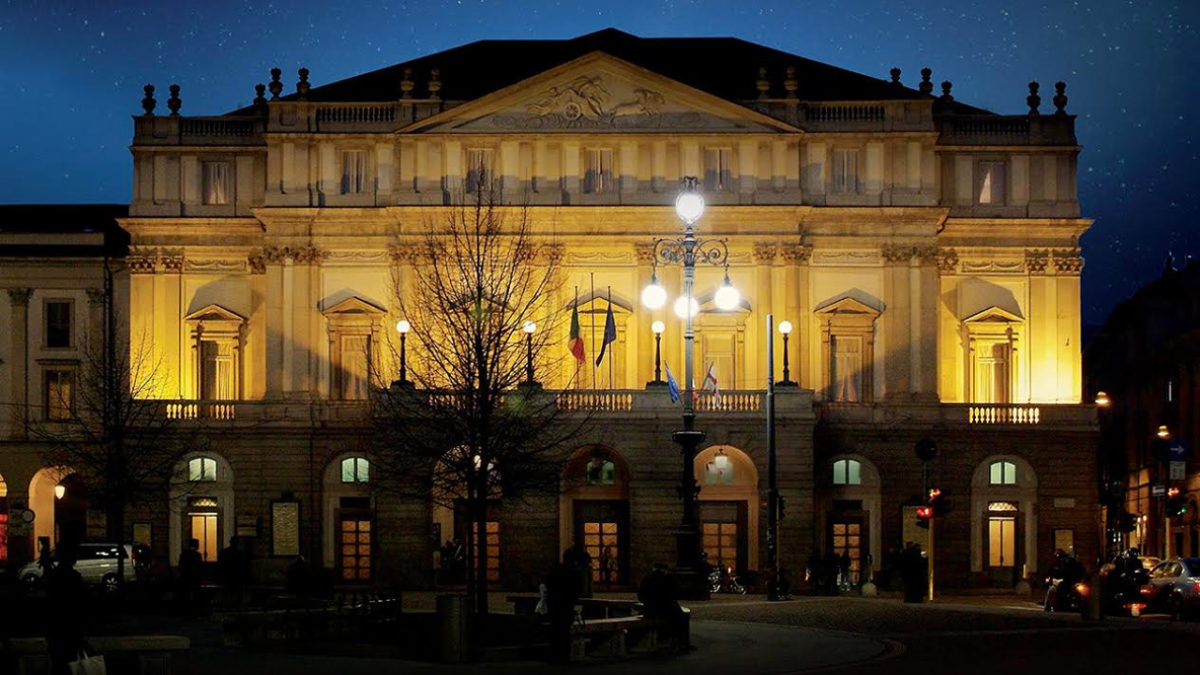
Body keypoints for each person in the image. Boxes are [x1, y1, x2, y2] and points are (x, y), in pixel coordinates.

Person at [45, 545, 87, 675]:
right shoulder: (75, 578)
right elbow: (81, 604)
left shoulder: (53, 577)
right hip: (71, 629)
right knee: (70, 663)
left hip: (55, 628)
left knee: (57, 664)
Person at [638, 563, 691, 652]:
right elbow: (677, 593)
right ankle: (683, 643)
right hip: (667, 609)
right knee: (682, 617)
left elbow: (641, 596)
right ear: (664, 570)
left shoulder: (647, 579)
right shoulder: (668, 579)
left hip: (651, 610)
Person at [544, 552, 581, 663]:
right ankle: (564, 656)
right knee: (564, 631)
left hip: (555, 605)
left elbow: (548, 585)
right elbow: (577, 588)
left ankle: (555, 654)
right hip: (565, 605)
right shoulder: (573, 572)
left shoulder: (555, 570)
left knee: (555, 629)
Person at [178, 538, 203, 611]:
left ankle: (185, 609)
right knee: (195, 595)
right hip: (195, 578)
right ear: (196, 545)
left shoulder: (184, 554)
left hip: (185, 577)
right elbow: (199, 567)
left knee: (186, 595)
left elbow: (181, 566)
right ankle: (194, 609)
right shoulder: (198, 555)